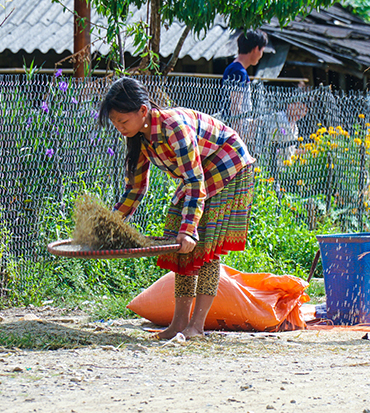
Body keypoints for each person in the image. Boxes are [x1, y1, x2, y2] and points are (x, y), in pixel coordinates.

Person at [99, 77, 255, 340]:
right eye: (115, 123)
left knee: (202, 245)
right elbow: (135, 189)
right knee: (178, 243)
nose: (119, 128)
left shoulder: (174, 128)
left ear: (143, 111)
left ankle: (196, 327)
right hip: (199, 174)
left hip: (229, 164)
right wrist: (110, 224)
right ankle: (178, 324)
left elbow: (195, 181)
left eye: (122, 121)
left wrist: (190, 230)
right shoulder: (138, 137)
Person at [221, 29, 268, 124]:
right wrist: (239, 134)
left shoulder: (235, 68)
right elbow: (235, 107)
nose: (261, 55)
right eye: (262, 51)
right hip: (234, 126)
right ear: (256, 49)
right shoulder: (238, 71)